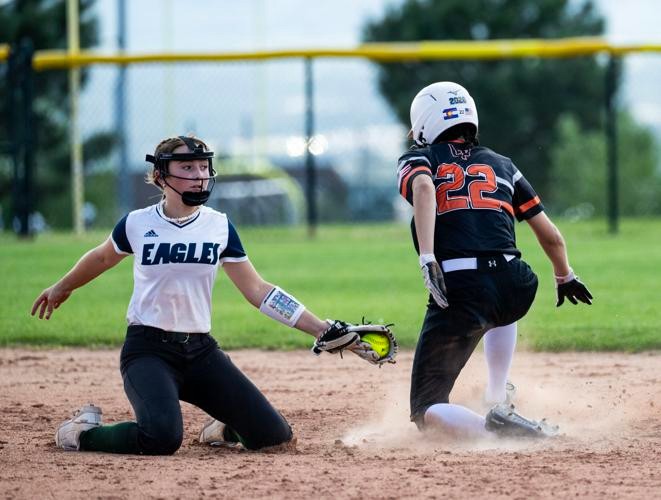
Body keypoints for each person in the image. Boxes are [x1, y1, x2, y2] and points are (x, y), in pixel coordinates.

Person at [31, 135, 380, 454]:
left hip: (200, 352)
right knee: (161, 438)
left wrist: (321, 328)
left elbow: (257, 290)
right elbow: (103, 257)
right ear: (161, 176)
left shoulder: (219, 225)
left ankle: (221, 430)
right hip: (148, 352)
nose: (199, 174)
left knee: (273, 437)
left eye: (203, 167)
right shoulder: (137, 223)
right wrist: (62, 287)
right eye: (187, 167)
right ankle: (81, 433)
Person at [397, 82, 593, 439]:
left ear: (425, 123)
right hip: (516, 282)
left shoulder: (419, 158)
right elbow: (550, 234)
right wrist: (565, 276)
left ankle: (495, 430)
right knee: (502, 299)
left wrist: (428, 257)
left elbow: (424, 189)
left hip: (463, 288)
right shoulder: (503, 164)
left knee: (426, 409)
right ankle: (496, 394)